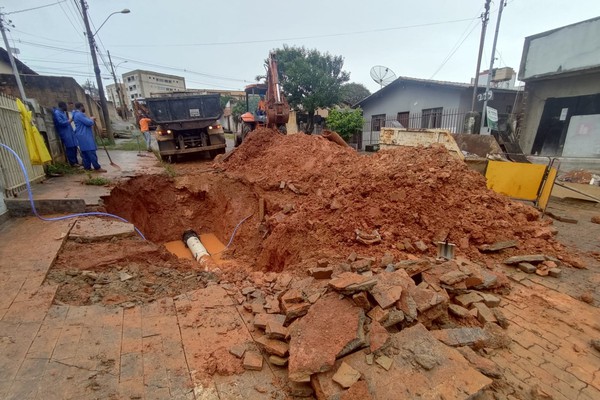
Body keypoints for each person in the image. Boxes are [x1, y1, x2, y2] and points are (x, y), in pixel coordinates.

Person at [72, 102, 106, 173]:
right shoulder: (79, 114)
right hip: (85, 135)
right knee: (91, 151)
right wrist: (92, 119)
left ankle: (87, 167)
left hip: (81, 135)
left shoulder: (76, 115)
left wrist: (90, 119)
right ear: (81, 107)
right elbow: (89, 123)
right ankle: (97, 167)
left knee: (85, 152)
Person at [52, 101, 79, 167]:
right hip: (65, 133)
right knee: (70, 147)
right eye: (66, 106)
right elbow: (60, 123)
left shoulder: (63, 113)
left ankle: (76, 162)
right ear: (62, 106)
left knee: (74, 147)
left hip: (70, 132)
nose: (67, 107)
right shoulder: (57, 113)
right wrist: (69, 121)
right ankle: (72, 163)